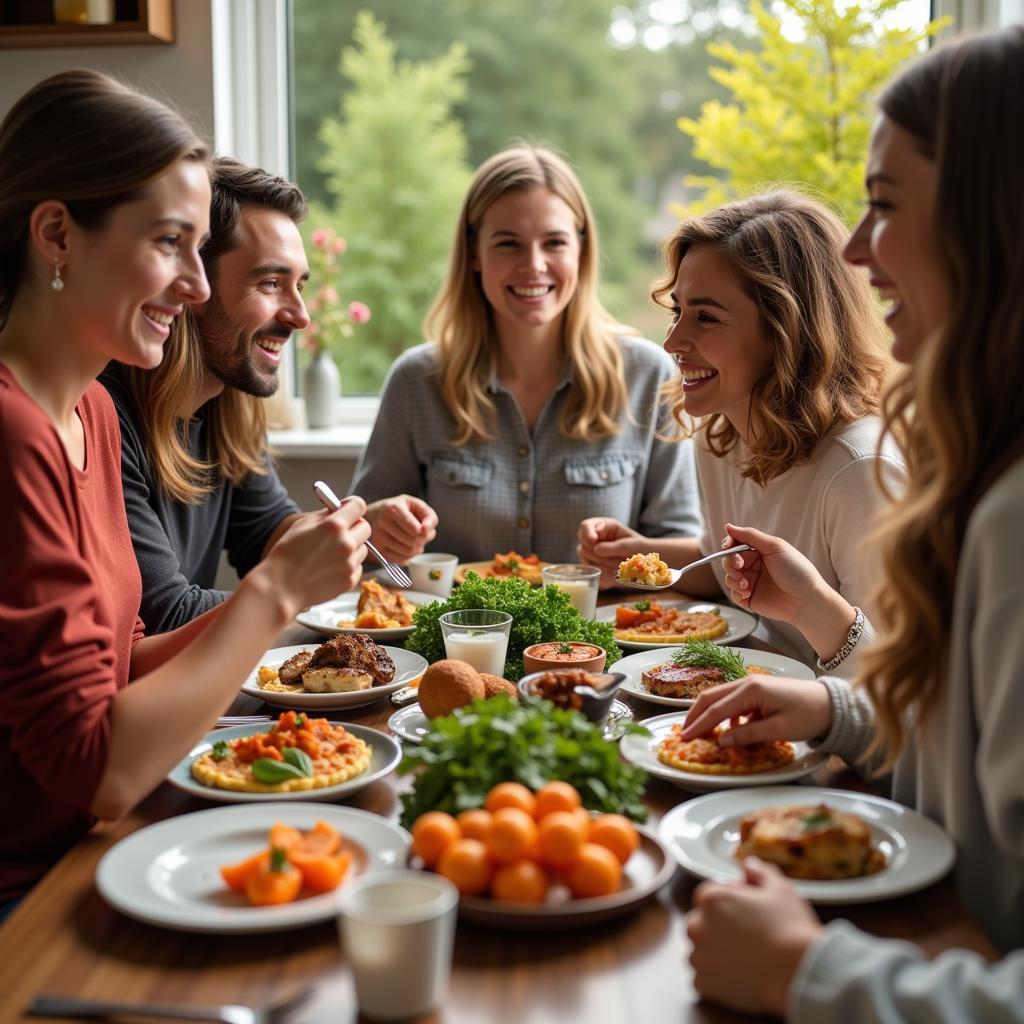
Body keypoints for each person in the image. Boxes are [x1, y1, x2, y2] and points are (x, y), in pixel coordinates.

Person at [680, 25, 1024, 1021]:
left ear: (987, 219)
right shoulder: (981, 471)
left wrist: (811, 976)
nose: (854, 248)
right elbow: (960, 753)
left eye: (881, 206)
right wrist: (836, 706)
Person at [0, 71, 369, 912]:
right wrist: (275, 594)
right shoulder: (13, 433)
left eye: (199, 251)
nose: (199, 287)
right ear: (57, 234)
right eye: (171, 244)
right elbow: (100, 772)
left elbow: (124, 665)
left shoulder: (90, 409)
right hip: (29, 891)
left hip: (97, 847)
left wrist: (302, 596)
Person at [100, 158, 432, 633]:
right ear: (192, 285)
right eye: (271, 283)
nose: (300, 316)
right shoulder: (105, 416)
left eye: (299, 286)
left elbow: (266, 534)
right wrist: (293, 587)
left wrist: (361, 531)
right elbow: (165, 615)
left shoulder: (226, 406)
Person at [578, 191, 899, 675]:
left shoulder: (860, 472)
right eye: (677, 311)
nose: (672, 343)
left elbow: (899, 683)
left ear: (786, 331)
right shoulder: (721, 433)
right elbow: (726, 568)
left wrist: (813, 610)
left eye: (706, 317)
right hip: (749, 687)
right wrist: (641, 553)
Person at [349, 144, 702, 565]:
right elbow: (361, 548)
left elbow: (686, 551)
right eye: (508, 244)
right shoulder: (415, 380)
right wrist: (376, 528)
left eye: (554, 242)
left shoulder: (648, 374)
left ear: (581, 251)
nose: (533, 265)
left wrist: (636, 557)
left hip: (600, 631)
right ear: (475, 253)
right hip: (458, 632)